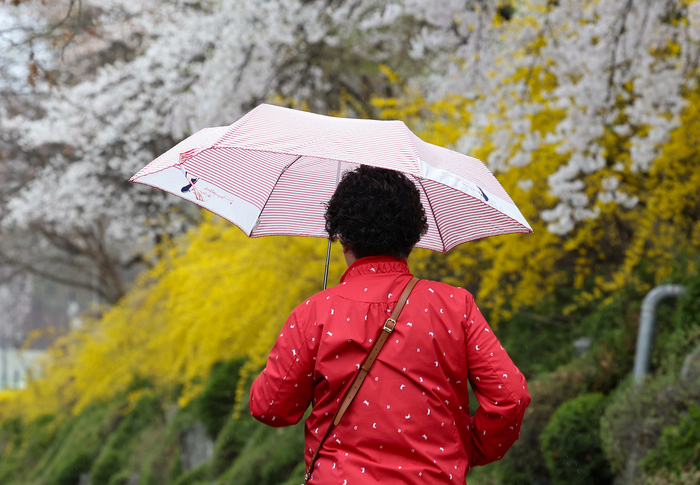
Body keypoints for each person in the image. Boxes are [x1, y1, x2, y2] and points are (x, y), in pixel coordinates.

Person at [249, 166, 531, 483]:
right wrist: (465, 449)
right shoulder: (455, 305)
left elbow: (270, 407)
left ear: (342, 239)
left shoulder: (313, 313)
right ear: (412, 237)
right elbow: (511, 397)